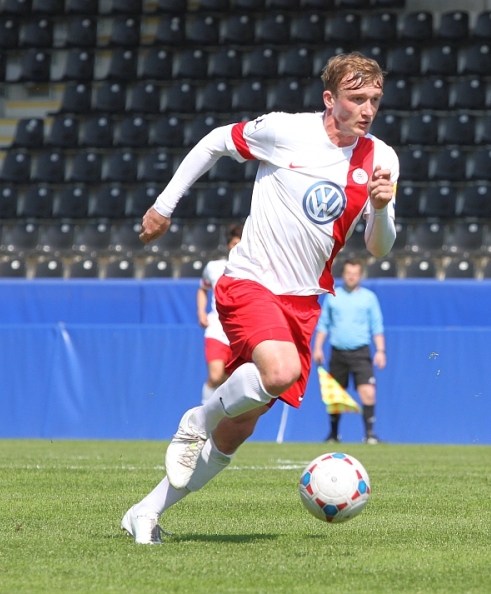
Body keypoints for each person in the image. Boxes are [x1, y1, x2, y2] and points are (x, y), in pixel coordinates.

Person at [121, 52, 399, 544]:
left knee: (238, 429)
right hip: (250, 282)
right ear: (329, 98)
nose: (367, 109)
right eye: (356, 98)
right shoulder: (285, 130)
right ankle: (196, 419)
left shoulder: (381, 158)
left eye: (375, 99)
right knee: (279, 372)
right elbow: (215, 141)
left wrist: (380, 210)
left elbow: (379, 247)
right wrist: (164, 206)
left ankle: (146, 511)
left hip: (302, 303)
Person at [312, 257, 386, 444]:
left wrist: (380, 350)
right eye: (348, 273)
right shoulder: (333, 296)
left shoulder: (369, 298)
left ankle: (369, 435)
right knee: (335, 395)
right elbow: (324, 324)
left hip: (360, 353)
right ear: (343, 275)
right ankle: (333, 434)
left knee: (368, 392)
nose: (352, 277)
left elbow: (376, 325)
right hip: (338, 353)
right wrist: (318, 347)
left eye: (355, 273)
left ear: (360, 275)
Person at [197, 223, 244, 404]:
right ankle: (202, 412)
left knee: (231, 381)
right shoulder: (214, 267)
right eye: (234, 244)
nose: (237, 249)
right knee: (215, 376)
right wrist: (201, 312)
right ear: (227, 246)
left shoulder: (253, 271)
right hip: (217, 330)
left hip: (240, 333)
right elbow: (203, 289)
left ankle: (219, 413)